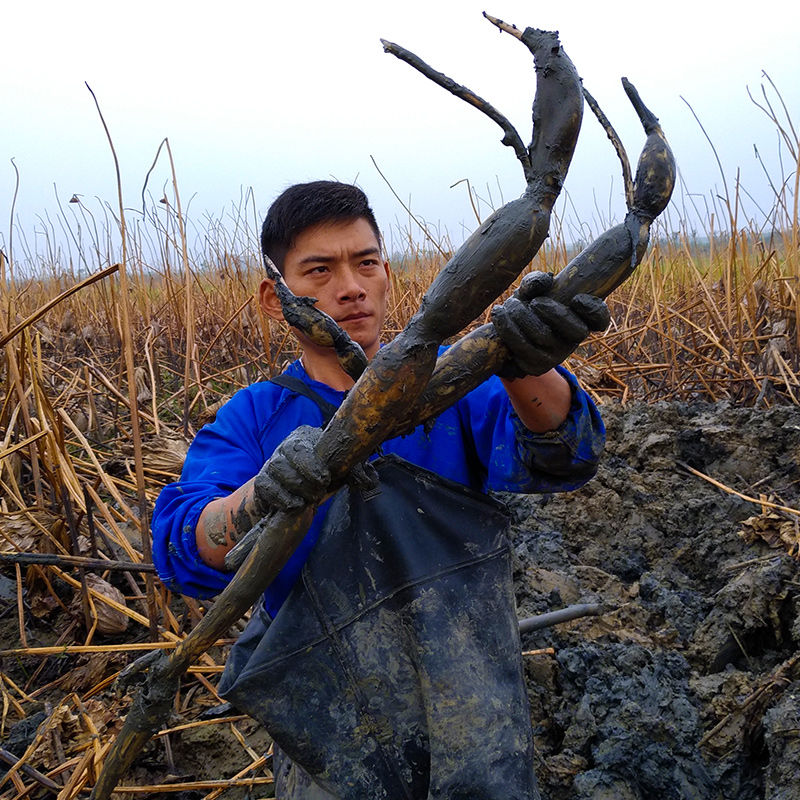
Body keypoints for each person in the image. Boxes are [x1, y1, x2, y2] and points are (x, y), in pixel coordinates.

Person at [152, 181, 608, 799]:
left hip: (474, 703)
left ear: (388, 272)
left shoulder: (457, 380)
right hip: (330, 727)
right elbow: (182, 547)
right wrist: (260, 496)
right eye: (319, 270)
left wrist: (528, 361)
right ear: (274, 297)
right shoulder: (253, 419)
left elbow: (568, 455)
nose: (350, 286)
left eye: (365, 262)